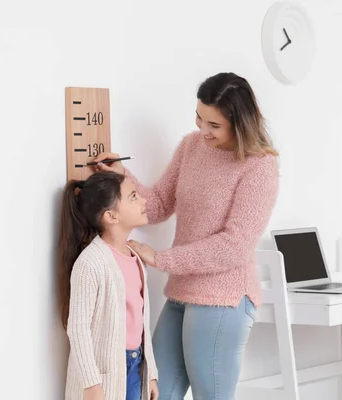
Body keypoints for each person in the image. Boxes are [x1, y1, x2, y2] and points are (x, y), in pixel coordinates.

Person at [95, 72, 279, 399]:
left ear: (241, 124)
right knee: (153, 393)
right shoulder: (191, 146)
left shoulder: (259, 166)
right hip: (182, 292)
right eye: (199, 117)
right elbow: (161, 204)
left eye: (214, 125)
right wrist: (123, 177)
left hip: (224, 297)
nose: (202, 130)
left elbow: (234, 247)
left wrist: (160, 258)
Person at [58, 171, 159, 400]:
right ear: (111, 216)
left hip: (134, 366)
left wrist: (150, 372)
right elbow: (77, 328)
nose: (143, 200)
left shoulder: (135, 257)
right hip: (104, 375)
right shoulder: (91, 263)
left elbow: (142, 324)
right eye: (133, 197)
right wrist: (91, 382)